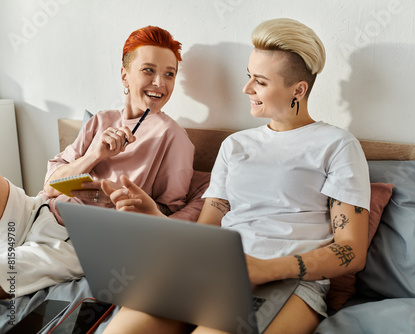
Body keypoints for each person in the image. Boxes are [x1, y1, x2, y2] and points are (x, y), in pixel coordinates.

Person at [102, 18, 371, 334]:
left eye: (260, 81)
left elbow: (352, 251)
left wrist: (264, 269)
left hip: (290, 282)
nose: (247, 89)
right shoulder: (235, 146)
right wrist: (152, 216)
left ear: (298, 89)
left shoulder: (337, 145)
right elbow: (207, 234)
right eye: (248, 77)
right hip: (214, 272)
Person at [0, 26, 194, 299]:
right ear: (125, 75)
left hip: (80, 240)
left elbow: (168, 214)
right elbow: (51, 185)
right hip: (39, 209)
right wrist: (95, 155)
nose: (160, 83)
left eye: (169, 74)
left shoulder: (173, 138)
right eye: (148, 70)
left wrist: (110, 196)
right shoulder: (100, 121)